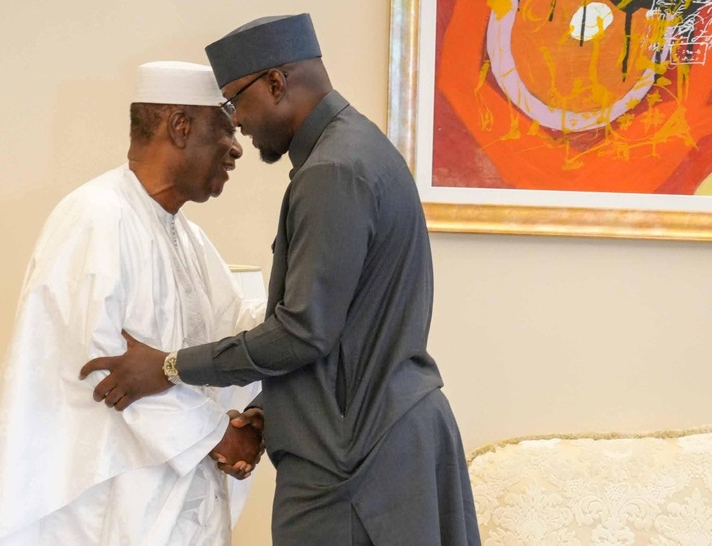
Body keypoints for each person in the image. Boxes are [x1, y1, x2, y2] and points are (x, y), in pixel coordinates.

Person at [81, 15, 481, 546]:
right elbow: (343, 330)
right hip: (376, 440)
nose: (238, 126)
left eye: (235, 102)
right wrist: (267, 410)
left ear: (275, 82)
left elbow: (304, 332)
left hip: (354, 463)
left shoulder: (332, 171)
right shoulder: (354, 149)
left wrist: (170, 367)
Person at [0, 61, 266, 546]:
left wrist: (307, 292)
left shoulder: (190, 239)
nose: (236, 147)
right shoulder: (94, 218)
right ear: (180, 127)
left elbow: (234, 336)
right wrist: (218, 434)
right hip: (102, 511)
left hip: (175, 507)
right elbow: (100, 367)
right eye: (225, 128)